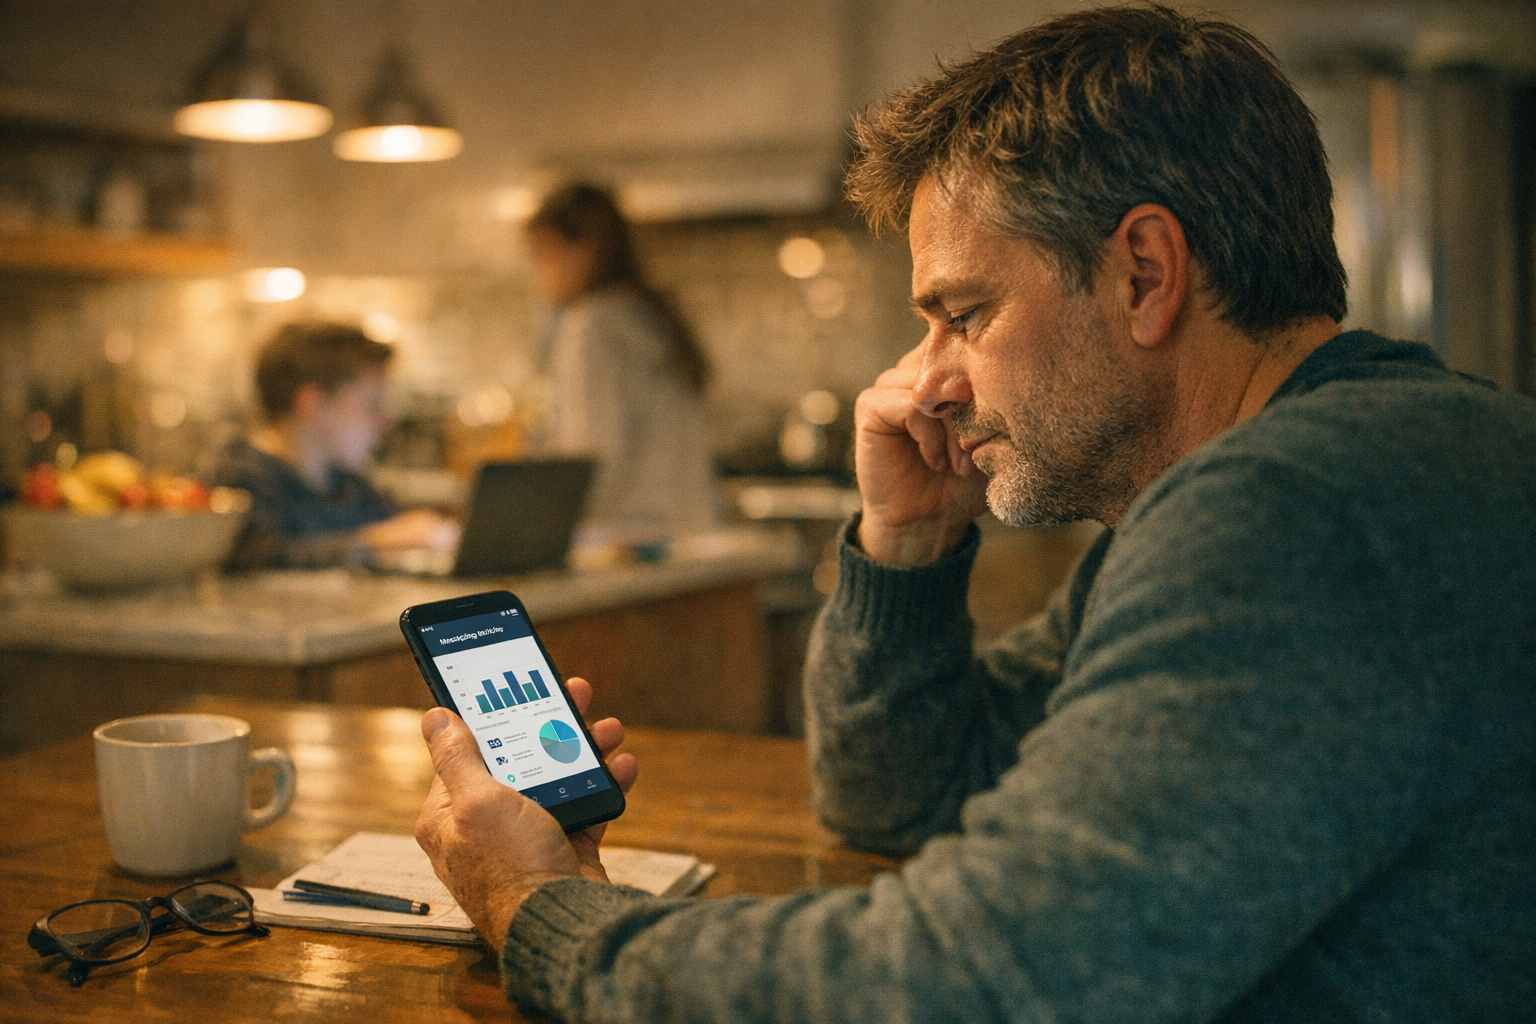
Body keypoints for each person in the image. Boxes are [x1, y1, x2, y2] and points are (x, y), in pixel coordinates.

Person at [413, 6, 1536, 1022]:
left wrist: (540, 907)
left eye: (965, 312)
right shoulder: (1302, 472)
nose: (926, 380)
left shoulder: (1292, 517)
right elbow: (905, 798)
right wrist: (908, 544)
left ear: (1145, 273)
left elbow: (967, 984)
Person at [527, 182, 716, 534]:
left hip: (625, 543)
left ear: (582, 250)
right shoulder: (649, 315)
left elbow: (592, 456)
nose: (539, 270)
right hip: (690, 536)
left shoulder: (591, 327)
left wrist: (543, 528)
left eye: (543, 253)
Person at [207, 321, 459, 569]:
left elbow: (394, 528)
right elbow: (259, 557)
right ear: (312, 404)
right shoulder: (240, 479)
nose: (385, 422)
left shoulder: (349, 485)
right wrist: (375, 542)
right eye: (371, 405)